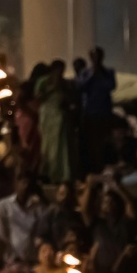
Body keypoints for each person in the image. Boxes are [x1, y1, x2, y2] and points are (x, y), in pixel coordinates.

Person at [76, 47, 116, 175]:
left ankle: (103, 166)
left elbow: (111, 86)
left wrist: (100, 75)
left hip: (104, 112)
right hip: (90, 113)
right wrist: (92, 75)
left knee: (104, 141)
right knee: (90, 143)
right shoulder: (85, 72)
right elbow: (81, 86)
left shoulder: (108, 72)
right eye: (94, 56)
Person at [36, 60, 76, 184]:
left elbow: (70, 98)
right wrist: (53, 88)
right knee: (48, 146)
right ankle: (48, 173)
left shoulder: (65, 83)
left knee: (61, 146)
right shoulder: (43, 81)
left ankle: (62, 175)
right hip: (47, 116)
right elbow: (38, 97)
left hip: (60, 116)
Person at [0, 172, 44, 265]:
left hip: (32, 259)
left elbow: (39, 232)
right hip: (11, 259)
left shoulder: (37, 207)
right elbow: (1, 234)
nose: (24, 186)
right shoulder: (4, 205)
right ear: (15, 184)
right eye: (22, 182)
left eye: (27, 183)